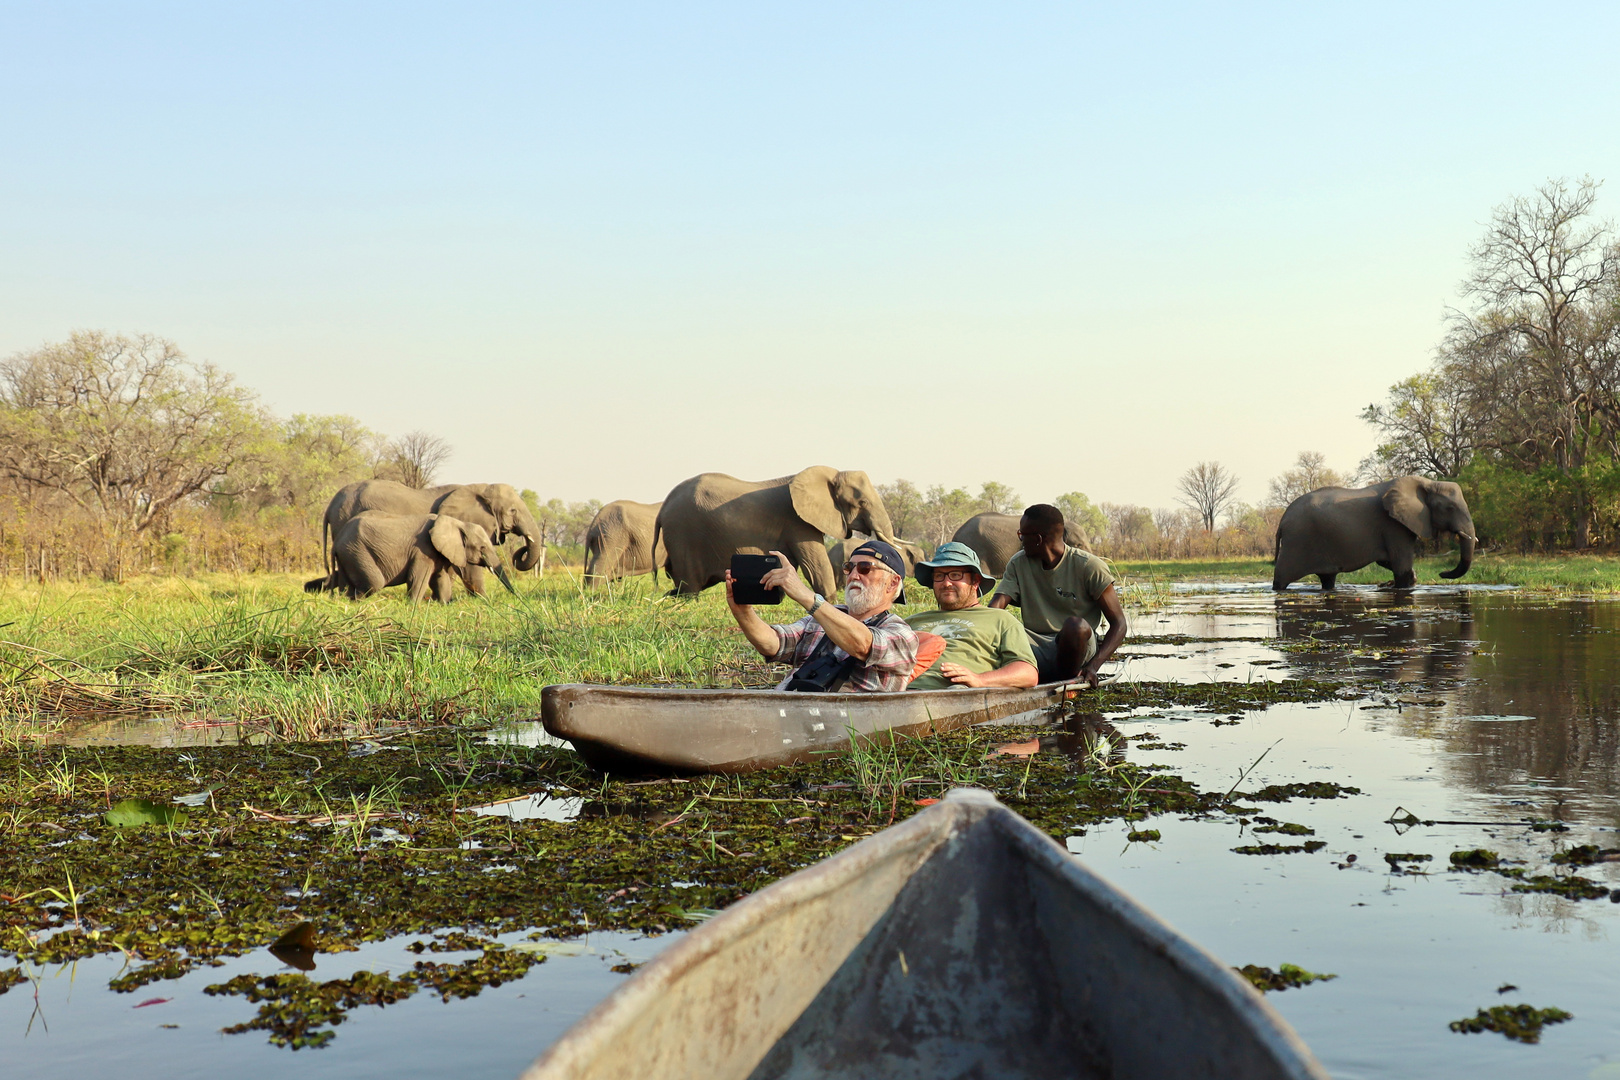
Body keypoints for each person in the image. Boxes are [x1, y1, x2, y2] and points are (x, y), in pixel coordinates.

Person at [725, 539, 918, 692]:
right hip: (789, 712)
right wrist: (743, 613)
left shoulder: (901, 634)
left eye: (865, 568)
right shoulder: (821, 619)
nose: (853, 576)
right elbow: (774, 644)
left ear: (893, 583)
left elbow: (864, 644)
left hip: (844, 725)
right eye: (849, 568)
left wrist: (806, 595)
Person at [988, 504, 1127, 686]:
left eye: (1022, 535)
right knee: (1001, 623)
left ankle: (1065, 681)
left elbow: (1120, 624)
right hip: (1033, 645)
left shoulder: (1089, 566)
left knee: (1075, 626)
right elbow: (996, 608)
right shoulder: (1018, 563)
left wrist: (1093, 667)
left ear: (1038, 539)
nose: (1020, 540)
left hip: (1078, 646)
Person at [905, 542, 1037, 690]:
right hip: (897, 694)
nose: (946, 583)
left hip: (959, 697)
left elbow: (1027, 673)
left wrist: (980, 680)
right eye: (939, 576)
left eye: (955, 575)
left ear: (975, 581)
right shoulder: (909, 622)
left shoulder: (1001, 620)